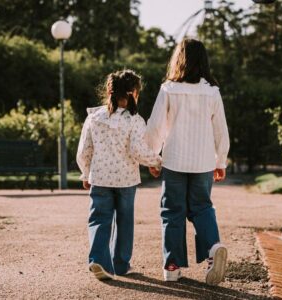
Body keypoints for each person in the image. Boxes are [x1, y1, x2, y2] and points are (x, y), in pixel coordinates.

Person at [145, 38, 230, 285]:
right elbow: (220, 130)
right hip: (203, 161)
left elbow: (155, 126)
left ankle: (172, 265)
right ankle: (213, 249)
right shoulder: (212, 92)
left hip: (174, 161)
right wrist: (220, 160)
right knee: (202, 208)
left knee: (172, 211)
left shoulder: (169, 89)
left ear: (178, 59)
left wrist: (152, 155)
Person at [76, 69, 161, 281]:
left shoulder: (94, 117)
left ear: (109, 91)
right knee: (125, 222)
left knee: (98, 219)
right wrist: (156, 161)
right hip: (126, 180)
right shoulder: (134, 120)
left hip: (101, 178)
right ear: (134, 93)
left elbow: (84, 150)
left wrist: (85, 173)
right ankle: (121, 265)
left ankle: (98, 259)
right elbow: (137, 150)